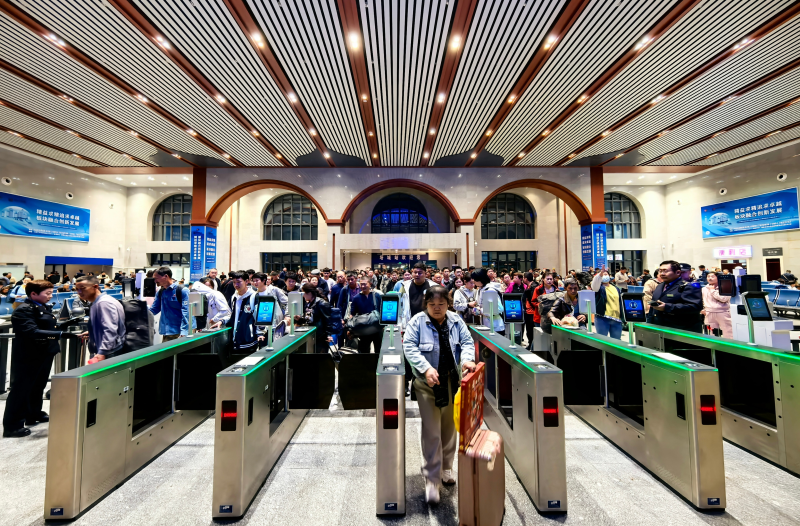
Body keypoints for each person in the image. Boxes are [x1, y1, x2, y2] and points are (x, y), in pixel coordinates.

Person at [403, 285, 476, 504]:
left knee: (449, 426)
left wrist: (467, 360)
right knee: (432, 430)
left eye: (441, 304)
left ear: (448, 304)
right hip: (427, 385)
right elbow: (409, 346)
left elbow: (467, 342)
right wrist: (426, 368)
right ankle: (432, 478)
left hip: (451, 382)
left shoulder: (456, 321)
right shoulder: (417, 321)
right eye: (432, 304)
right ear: (426, 304)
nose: (437, 308)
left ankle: (446, 467)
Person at [2, 280, 77, 437]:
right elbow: (32, 331)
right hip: (28, 354)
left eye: (51, 293)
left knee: (38, 385)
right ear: (33, 294)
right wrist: (60, 334)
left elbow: (47, 326)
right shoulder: (23, 309)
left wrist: (65, 325)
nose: (50, 296)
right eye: (47, 293)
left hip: (44, 351)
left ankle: (33, 413)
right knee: (21, 389)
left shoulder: (41, 306)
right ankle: (12, 425)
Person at [74, 276, 126, 363]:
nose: (79, 292)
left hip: (109, 352)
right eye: (77, 289)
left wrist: (103, 352)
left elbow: (110, 329)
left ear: (95, 287)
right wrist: (93, 332)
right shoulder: (100, 301)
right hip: (110, 349)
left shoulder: (103, 303)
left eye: (82, 288)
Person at [651, 260, 704, 333]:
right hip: (660, 328)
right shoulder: (659, 286)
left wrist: (667, 307)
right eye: (660, 271)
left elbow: (695, 307)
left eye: (665, 271)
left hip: (682, 330)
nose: (662, 274)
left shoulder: (690, 286)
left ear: (678, 272)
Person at [149, 266, 191, 341]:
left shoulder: (182, 291)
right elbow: (154, 309)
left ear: (166, 276)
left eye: (156, 278)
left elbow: (186, 312)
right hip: (166, 332)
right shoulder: (161, 292)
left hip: (179, 332)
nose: (155, 281)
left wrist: (184, 331)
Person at [226, 271, 262, 353]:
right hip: (235, 341)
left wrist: (260, 333)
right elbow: (229, 314)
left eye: (239, 282)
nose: (236, 285)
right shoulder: (233, 297)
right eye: (234, 282)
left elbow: (260, 317)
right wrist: (221, 321)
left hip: (249, 340)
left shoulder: (254, 296)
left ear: (246, 281)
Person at [346, 276, 383, 353]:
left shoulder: (376, 296)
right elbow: (352, 314)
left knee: (379, 351)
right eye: (361, 284)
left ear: (370, 284)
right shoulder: (356, 298)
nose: (363, 286)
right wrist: (350, 329)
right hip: (363, 329)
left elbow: (381, 311)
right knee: (364, 352)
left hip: (377, 328)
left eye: (365, 284)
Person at [293, 282, 334, 354]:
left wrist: (328, 335)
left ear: (309, 293)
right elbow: (310, 318)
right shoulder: (308, 303)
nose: (303, 295)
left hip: (321, 336)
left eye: (304, 293)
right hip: (312, 335)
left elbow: (328, 320)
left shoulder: (322, 303)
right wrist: (300, 319)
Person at [399, 262, 437, 329]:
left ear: (425, 274)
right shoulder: (405, 286)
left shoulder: (433, 286)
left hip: (429, 321)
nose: (417, 275)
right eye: (415, 272)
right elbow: (399, 302)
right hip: (410, 321)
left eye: (420, 273)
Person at [591, 266, 623, 339]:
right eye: (603, 274)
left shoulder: (616, 288)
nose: (604, 275)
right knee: (602, 340)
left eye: (606, 274)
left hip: (617, 319)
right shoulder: (598, 288)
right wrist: (600, 273)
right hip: (603, 318)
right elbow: (594, 284)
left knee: (616, 342)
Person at [471, 268, 505, 334]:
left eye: (474, 279)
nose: (473, 281)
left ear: (480, 279)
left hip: (495, 327)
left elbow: (499, 309)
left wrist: (481, 311)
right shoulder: (480, 289)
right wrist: (477, 308)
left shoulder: (490, 290)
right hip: (486, 325)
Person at [702, 272, 732, 338]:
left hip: (723, 312)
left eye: (712, 276)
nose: (710, 278)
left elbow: (724, 299)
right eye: (708, 276)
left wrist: (712, 290)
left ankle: (729, 344)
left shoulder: (725, 287)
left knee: (728, 332)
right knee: (711, 333)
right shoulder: (704, 289)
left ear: (718, 278)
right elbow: (702, 300)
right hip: (709, 312)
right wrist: (702, 309)